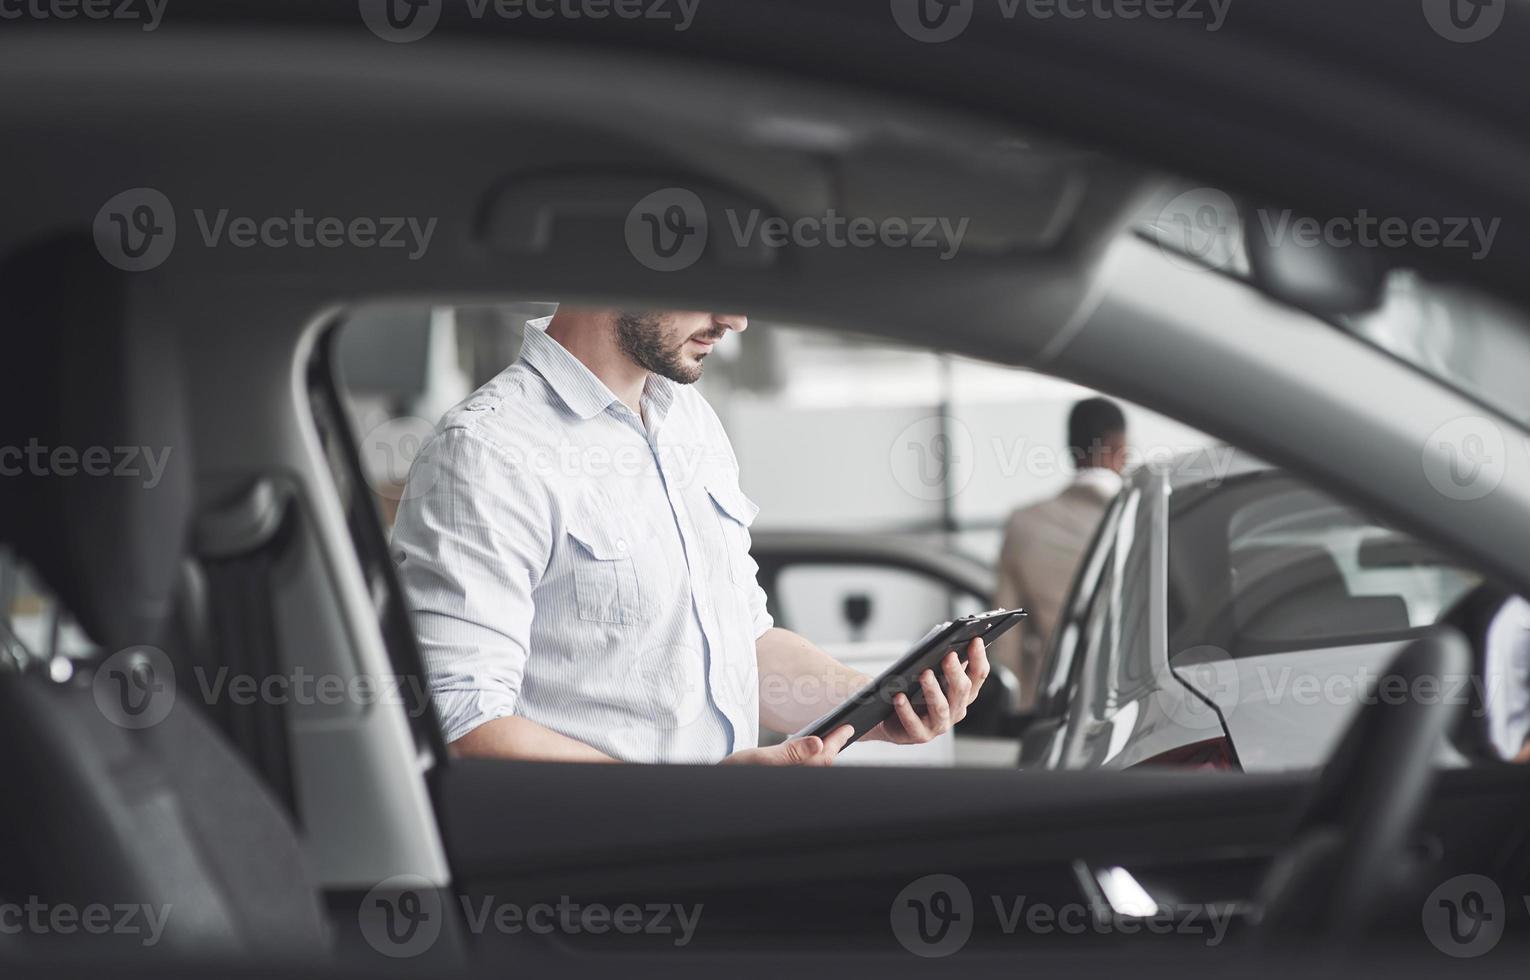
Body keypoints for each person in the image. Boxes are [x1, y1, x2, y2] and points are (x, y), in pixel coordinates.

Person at [390, 309, 989, 765]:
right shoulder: (487, 451)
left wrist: (877, 705)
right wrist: (690, 798)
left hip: (712, 856)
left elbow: (742, 645)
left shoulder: (689, 419)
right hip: (591, 890)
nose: (735, 320)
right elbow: (462, 719)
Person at [992, 397, 1128, 710]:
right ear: (1119, 446)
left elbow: (1006, 640)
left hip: (1056, 705)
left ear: (1070, 448)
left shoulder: (1024, 524)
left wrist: (1019, 713)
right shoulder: (1145, 519)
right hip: (1137, 701)